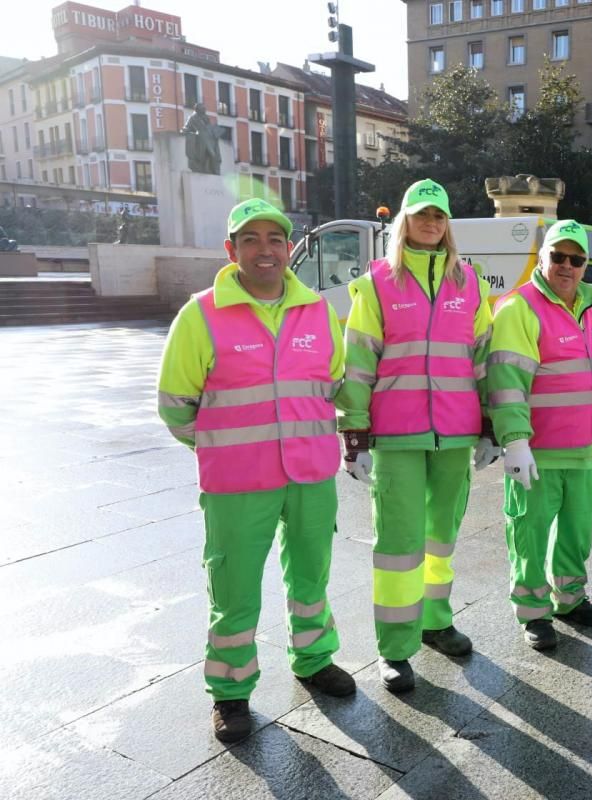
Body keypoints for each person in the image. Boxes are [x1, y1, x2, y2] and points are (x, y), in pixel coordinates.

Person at [157, 198, 355, 743]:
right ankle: (231, 693)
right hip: (238, 480)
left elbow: (334, 382)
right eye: (251, 239)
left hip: (311, 474)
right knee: (236, 587)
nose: (265, 249)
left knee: (311, 575)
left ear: (289, 248)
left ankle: (314, 658)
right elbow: (176, 405)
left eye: (275, 238)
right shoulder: (201, 314)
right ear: (232, 249)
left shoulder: (316, 310)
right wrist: (221, 448)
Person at [336, 179, 493, 692]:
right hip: (397, 434)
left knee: (440, 537)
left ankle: (435, 620)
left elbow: (486, 360)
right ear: (404, 221)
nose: (430, 223)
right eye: (421, 215)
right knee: (400, 544)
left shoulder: (469, 283)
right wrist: (354, 432)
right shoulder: (378, 282)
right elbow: (358, 362)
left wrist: (493, 423)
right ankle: (396, 646)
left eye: (439, 216)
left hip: (455, 431)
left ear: (448, 226)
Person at [487, 220, 592, 650]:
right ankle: (533, 611)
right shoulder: (520, 308)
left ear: (585, 264)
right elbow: (506, 381)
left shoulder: (590, 306)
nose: (567, 266)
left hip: (583, 452)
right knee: (529, 534)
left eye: (576, 259)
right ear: (543, 257)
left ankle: (569, 598)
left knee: (576, 531)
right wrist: (514, 441)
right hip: (539, 451)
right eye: (558, 257)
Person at [181, 102, 221, 175]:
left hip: (209, 139)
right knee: (211, 154)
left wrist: (215, 133)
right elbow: (187, 126)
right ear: (198, 109)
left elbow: (209, 128)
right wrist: (184, 130)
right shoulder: (193, 118)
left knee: (213, 154)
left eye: (204, 108)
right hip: (200, 139)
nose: (205, 110)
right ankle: (208, 168)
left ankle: (210, 169)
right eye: (203, 108)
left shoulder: (206, 117)